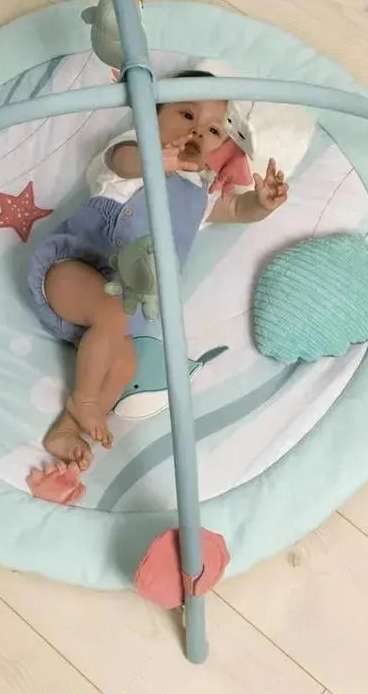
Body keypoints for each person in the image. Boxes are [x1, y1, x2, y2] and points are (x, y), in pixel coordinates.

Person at [28, 71, 289, 469]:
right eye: (187, 115)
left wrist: (261, 204)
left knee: (126, 363)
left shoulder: (199, 192)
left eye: (213, 130)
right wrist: (153, 158)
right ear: (153, 115)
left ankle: (66, 428)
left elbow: (236, 208)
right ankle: (83, 401)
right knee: (111, 313)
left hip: (114, 318)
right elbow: (123, 160)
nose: (197, 131)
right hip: (69, 272)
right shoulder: (130, 154)